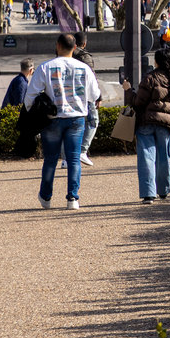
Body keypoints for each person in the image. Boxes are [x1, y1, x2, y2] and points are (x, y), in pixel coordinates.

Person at [26, 33, 100, 209]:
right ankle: (72, 198)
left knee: (50, 159)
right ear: (75, 48)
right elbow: (94, 95)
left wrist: (33, 113)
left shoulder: (45, 67)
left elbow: (30, 96)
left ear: (57, 45)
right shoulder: (83, 68)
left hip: (52, 118)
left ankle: (46, 197)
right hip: (76, 117)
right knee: (74, 159)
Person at [126, 48, 170, 203]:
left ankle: (148, 193)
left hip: (147, 122)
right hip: (166, 125)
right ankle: (163, 190)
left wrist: (128, 91)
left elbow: (138, 102)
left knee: (146, 157)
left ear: (156, 62)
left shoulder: (150, 78)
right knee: (164, 157)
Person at [71, 31, 99, 168]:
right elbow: (92, 78)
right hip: (86, 95)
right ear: (85, 43)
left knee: (71, 125)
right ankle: (82, 151)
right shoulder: (84, 57)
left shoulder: (66, 55)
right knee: (93, 121)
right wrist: (98, 96)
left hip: (69, 95)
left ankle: (66, 157)